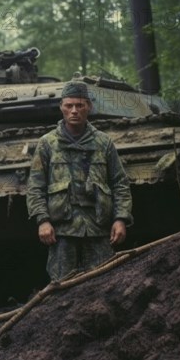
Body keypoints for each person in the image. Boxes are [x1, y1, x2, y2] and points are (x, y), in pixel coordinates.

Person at [26, 81, 133, 281]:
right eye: (69, 105)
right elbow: (35, 187)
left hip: (98, 228)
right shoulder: (47, 144)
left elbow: (120, 183)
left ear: (89, 107)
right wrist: (43, 220)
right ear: (61, 107)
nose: (74, 110)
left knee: (104, 282)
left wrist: (121, 219)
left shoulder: (103, 142)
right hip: (62, 230)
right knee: (62, 285)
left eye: (80, 105)